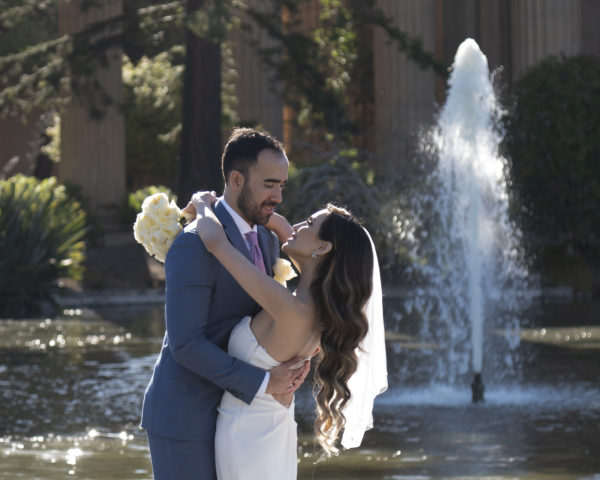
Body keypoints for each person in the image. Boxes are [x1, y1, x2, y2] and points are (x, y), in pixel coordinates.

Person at [140, 128, 311, 480]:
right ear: (236, 179)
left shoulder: (265, 237)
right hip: (186, 416)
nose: (278, 195)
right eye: (269, 184)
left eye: (282, 185)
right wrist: (266, 382)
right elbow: (186, 344)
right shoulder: (193, 244)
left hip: (238, 415)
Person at [191, 190, 387, 480]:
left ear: (322, 248)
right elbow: (286, 230)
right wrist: (261, 211)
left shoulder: (290, 308)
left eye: (308, 223)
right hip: (267, 428)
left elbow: (215, 241)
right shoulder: (320, 309)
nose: (296, 226)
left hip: (247, 437)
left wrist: (202, 203)